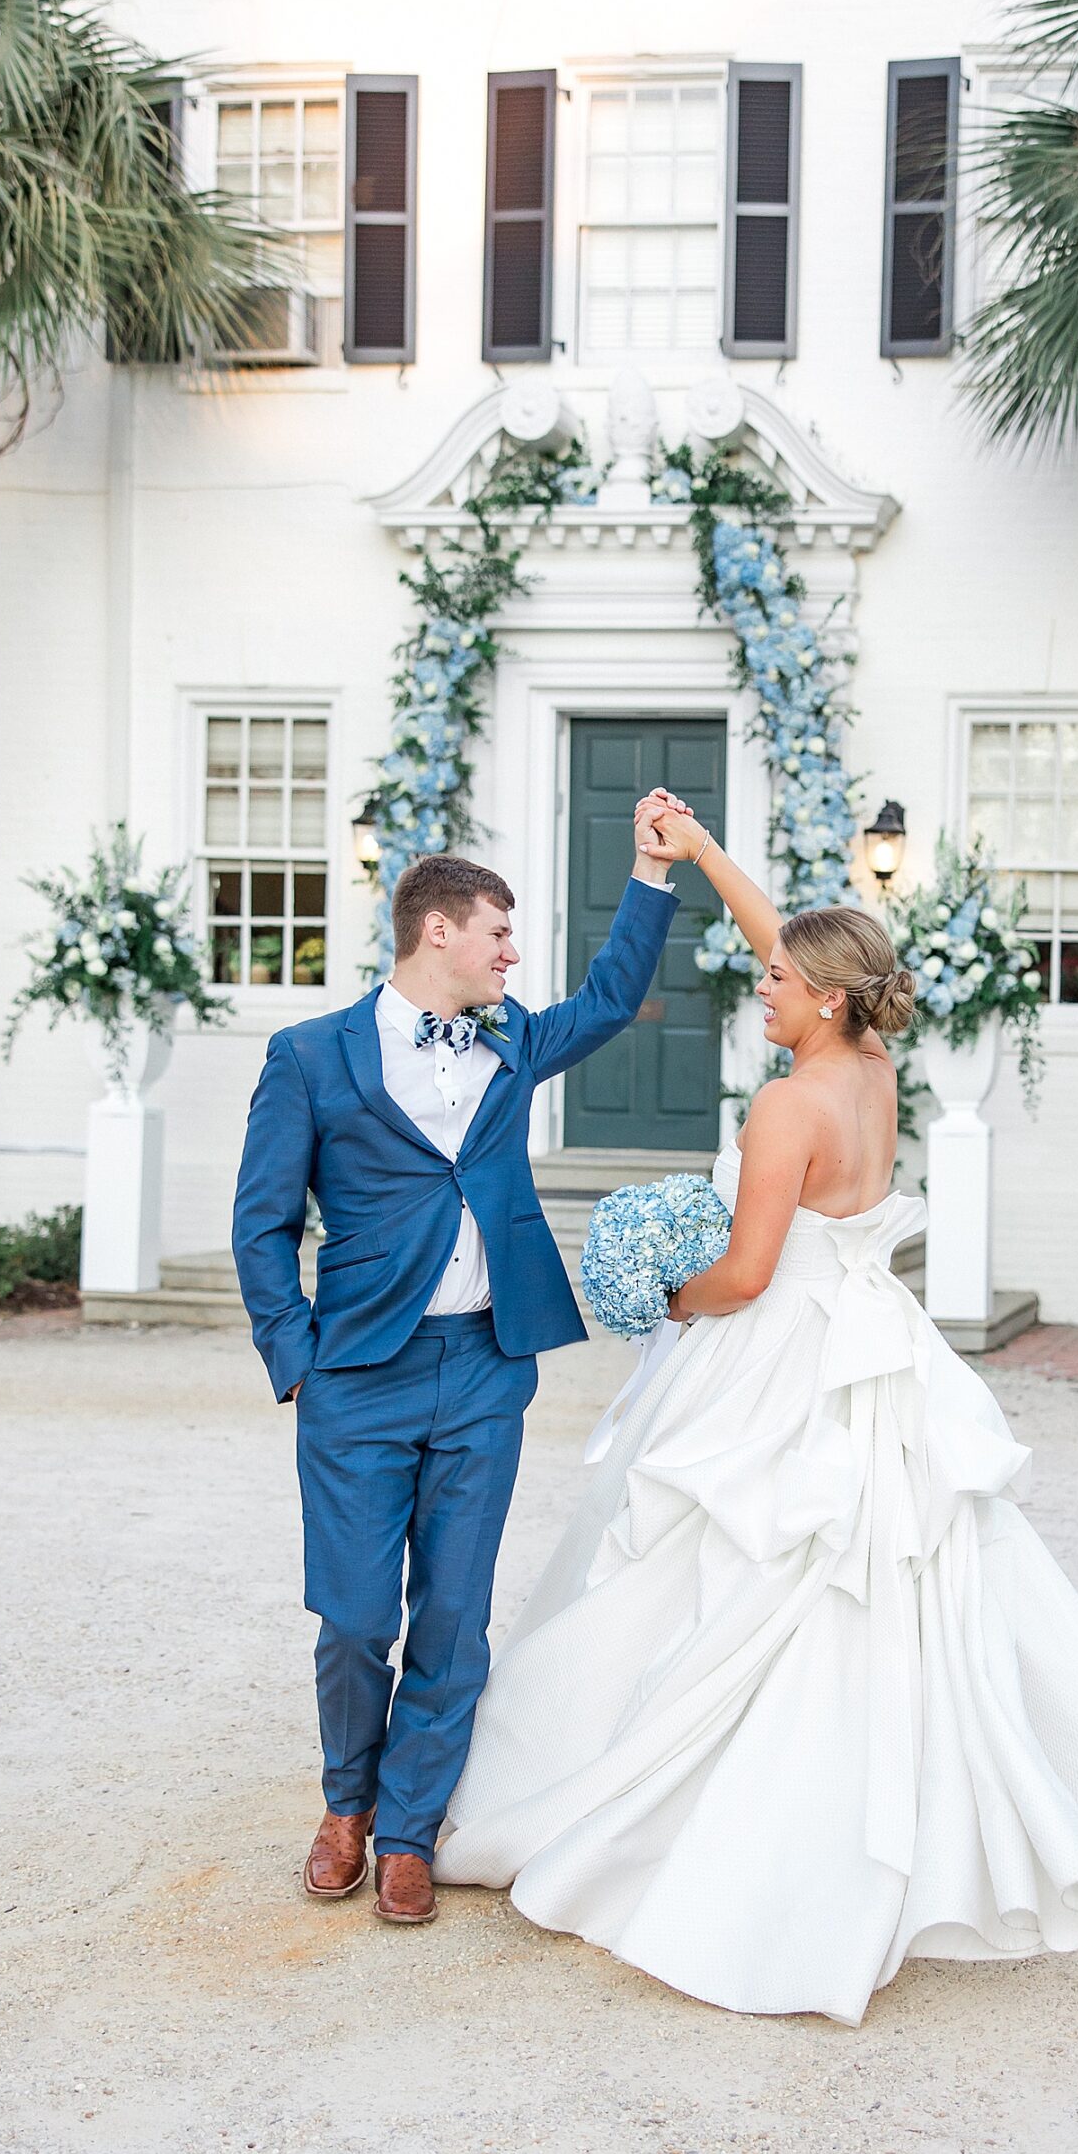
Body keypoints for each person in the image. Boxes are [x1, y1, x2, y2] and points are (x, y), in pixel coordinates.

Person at [436, 805, 1078, 2022]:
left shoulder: (783, 1109)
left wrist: (664, 1298)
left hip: (778, 1350)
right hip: (872, 1344)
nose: (759, 987)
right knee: (893, 1576)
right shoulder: (870, 1068)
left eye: (775, 983)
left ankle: (713, 1837)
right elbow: (799, 942)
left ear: (824, 998)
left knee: (719, 1563)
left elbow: (748, 1275)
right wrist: (701, 857)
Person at [231, 805, 679, 1926]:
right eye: (498, 935)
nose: (512, 955)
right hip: (359, 1373)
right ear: (438, 931)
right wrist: (298, 1359)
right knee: (351, 1614)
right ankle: (345, 1799)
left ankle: (408, 1831)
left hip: (485, 1365)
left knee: (454, 1614)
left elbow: (612, 999)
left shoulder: (513, 1040)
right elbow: (261, 1222)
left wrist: (650, 873)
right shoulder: (309, 1057)